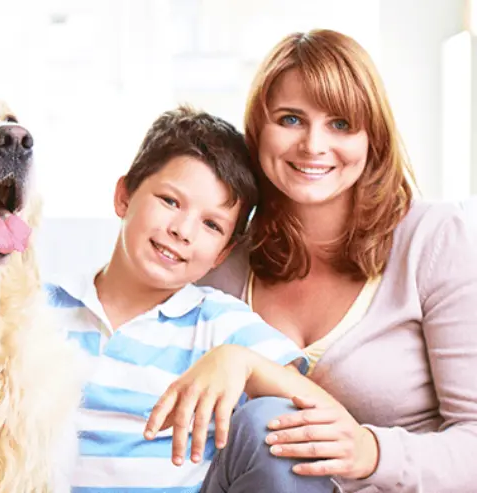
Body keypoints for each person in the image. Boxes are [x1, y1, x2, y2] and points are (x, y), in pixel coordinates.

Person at [190, 29, 477, 492]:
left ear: (372, 138)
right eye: (290, 119)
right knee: (266, 422)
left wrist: (371, 452)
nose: (313, 145)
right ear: (257, 129)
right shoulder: (221, 261)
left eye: (340, 124)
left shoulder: (433, 238)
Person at [48, 105, 336, 492]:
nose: (183, 231)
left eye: (211, 224)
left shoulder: (217, 323)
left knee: (279, 418)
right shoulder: (39, 306)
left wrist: (241, 361)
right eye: (170, 201)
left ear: (222, 253)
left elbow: (323, 414)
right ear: (123, 196)